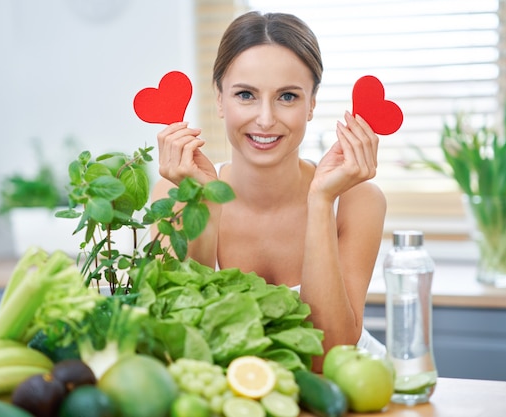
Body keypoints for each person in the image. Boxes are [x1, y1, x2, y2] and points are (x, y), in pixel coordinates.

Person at [152, 11, 387, 371]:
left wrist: (321, 201)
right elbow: (180, 341)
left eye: (288, 97)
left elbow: (327, 355)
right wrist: (206, 202)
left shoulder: (357, 201)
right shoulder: (174, 192)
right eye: (245, 94)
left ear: (312, 103)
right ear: (219, 99)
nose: (265, 118)